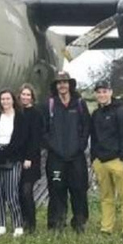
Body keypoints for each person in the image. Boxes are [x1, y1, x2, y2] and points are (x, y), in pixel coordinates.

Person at [42, 70, 91, 233]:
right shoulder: (49, 104)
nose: (62, 85)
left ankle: (79, 222)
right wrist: (51, 146)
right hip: (56, 157)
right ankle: (56, 223)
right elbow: (44, 129)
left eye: (65, 82)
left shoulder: (79, 103)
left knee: (79, 190)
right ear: (55, 86)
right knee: (56, 190)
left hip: (76, 157)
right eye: (59, 83)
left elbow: (86, 127)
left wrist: (81, 145)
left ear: (70, 85)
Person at [90, 80, 123, 237]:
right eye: (99, 92)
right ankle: (106, 227)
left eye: (104, 91)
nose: (102, 95)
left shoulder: (122, 112)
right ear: (96, 95)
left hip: (117, 160)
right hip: (100, 161)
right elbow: (93, 137)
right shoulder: (96, 114)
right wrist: (93, 159)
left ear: (110, 92)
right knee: (106, 196)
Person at [0, 89, 29, 237]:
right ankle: (0, 224)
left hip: (12, 157)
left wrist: (7, 152)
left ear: (13, 100)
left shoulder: (20, 117)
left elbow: (21, 139)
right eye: (2, 99)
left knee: (12, 192)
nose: (5, 102)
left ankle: (17, 224)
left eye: (8, 99)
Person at [17, 83, 43, 234]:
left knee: (27, 191)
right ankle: (21, 220)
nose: (25, 97)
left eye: (28, 95)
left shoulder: (36, 114)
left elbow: (36, 138)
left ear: (32, 97)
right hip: (18, 158)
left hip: (30, 159)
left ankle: (31, 223)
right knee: (19, 191)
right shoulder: (17, 113)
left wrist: (29, 157)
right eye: (23, 94)